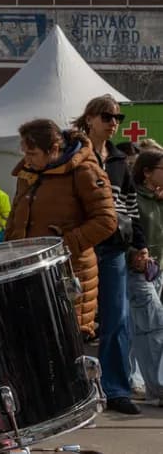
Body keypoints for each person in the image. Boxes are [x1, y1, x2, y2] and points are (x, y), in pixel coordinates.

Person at [4, 118, 120, 402]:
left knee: (66, 348)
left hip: (69, 276)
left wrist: (62, 245)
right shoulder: (28, 173)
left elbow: (107, 221)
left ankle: (81, 405)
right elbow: (15, 218)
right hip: (30, 274)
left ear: (54, 148)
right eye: (25, 152)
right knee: (36, 348)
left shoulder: (83, 171)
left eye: (32, 153)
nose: (26, 158)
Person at [72, 95, 147, 415]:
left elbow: (131, 206)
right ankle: (75, 389)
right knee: (76, 321)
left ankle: (116, 389)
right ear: (89, 117)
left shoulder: (118, 160)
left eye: (117, 117)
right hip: (82, 247)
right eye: (106, 116)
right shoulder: (73, 153)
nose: (113, 122)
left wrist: (138, 244)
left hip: (115, 248)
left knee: (117, 319)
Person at [127, 149, 163, 405]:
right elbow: (123, 231)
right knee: (155, 326)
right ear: (147, 172)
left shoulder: (158, 199)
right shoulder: (134, 199)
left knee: (141, 330)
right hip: (138, 271)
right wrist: (134, 255)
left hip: (157, 271)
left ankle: (147, 385)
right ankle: (159, 387)